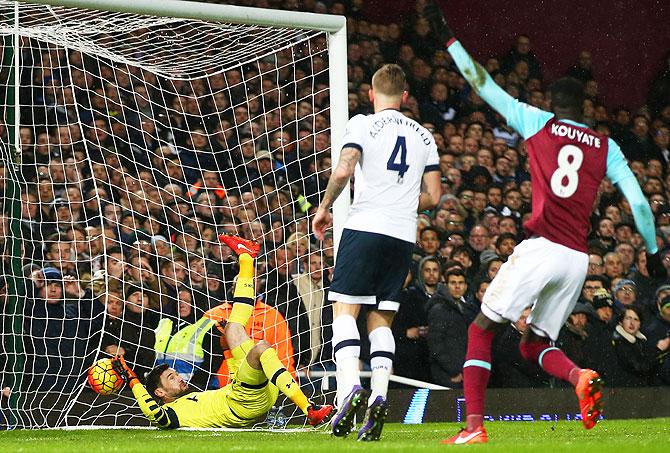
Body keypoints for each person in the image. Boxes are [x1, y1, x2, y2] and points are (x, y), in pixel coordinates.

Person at [427, 4, 666, 444]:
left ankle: (474, 429)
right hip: (578, 258)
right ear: (584, 108)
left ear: (553, 104)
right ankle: (578, 377)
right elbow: (638, 202)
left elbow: (483, 85)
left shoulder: (536, 122)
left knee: (481, 329)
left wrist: (449, 38)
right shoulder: (605, 145)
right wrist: (653, 254)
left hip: (541, 248)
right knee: (533, 344)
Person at [312, 63, 441, 441]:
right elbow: (434, 196)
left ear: (371, 94)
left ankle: (349, 387)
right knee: (381, 319)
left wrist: (323, 209)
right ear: (405, 97)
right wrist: (401, 201)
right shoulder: (425, 136)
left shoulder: (362, 123)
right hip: (403, 235)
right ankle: (380, 396)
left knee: (345, 310)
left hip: (366, 227)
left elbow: (343, 171)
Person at [111, 235, 332, 429]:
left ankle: (246, 258)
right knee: (261, 347)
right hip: (244, 402)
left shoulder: (194, 397)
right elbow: (154, 414)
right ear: (160, 394)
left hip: (245, 391)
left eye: (174, 374)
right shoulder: (173, 414)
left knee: (233, 328)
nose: (178, 376)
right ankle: (309, 408)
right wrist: (133, 380)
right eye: (171, 377)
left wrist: (227, 350)